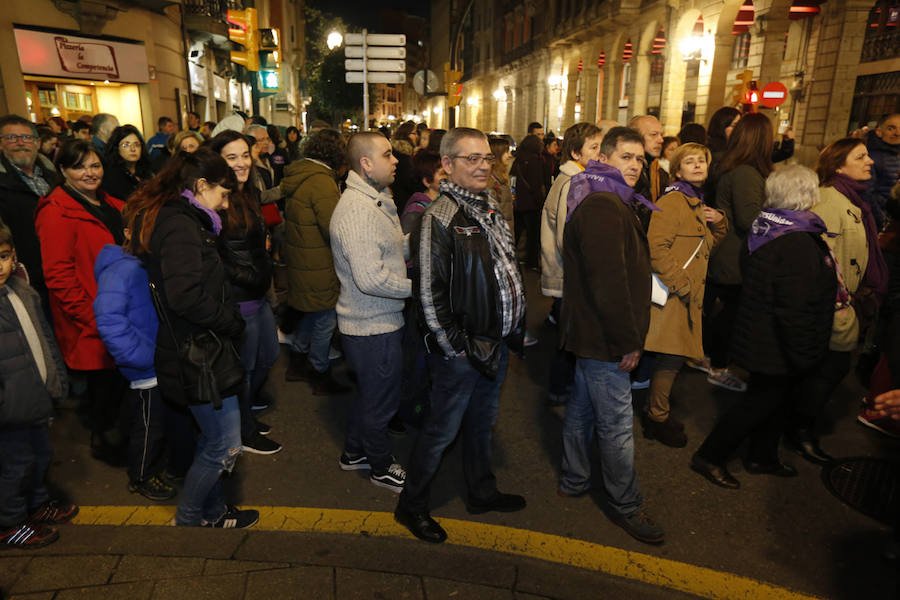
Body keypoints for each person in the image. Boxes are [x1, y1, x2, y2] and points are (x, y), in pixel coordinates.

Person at [395, 127, 527, 544]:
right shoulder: (440, 217)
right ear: (447, 166)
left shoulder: (488, 205)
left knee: (482, 424)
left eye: (487, 158)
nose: (483, 166)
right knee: (440, 432)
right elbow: (429, 295)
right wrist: (456, 349)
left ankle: (481, 492)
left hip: (494, 343)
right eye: (471, 158)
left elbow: (504, 270)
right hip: (464, 351)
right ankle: (411, 506)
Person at [126, 148, 257, 528]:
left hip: (199, 349)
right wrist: (230, 322)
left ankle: (212, 513)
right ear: (200, 185)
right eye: (223, 191)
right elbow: (184, 296)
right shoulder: (181, 226)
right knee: (224, 443)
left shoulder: (185, 219)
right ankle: (187, 520)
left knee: (212, 438)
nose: (227, 199)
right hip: (198, 353)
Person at [692, 165, 838, 488]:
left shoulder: (767, 227)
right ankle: (710, 455)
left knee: (774, 402)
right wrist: (804, 354)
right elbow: (794, 308)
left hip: (761, 334)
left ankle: (762, 456)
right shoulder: (796, 241)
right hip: (778, 342)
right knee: (758, 404)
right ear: (807, 195)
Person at [556, 126, 664, 544]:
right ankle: (626, 504)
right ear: (603, 156)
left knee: (582, 410)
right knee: (617, 425)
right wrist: (628, 341)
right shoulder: (603, 203)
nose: (636, 165)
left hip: (591, 333)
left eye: (641, 159)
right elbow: (608, 283)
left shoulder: (601, 194)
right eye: (627, 157)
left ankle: (574, 477)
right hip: (605, 337)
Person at [785, 138, 887, 464]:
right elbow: (818, 259)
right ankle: (798, 432)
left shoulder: (852, 197)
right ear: (839, 165)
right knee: (825, 370)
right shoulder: (830, 201)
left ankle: (798, 428)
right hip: (833, 305)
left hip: (846, 304)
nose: (870, 161)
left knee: (827, 369)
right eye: (861, 156)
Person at [35, 140, 127, 465]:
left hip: (118, 311)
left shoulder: (110, 203)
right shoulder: (56, 211)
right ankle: (108, 448)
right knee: (104, 389)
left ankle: (119, 440)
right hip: (92, 316)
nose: (90, 173)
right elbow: (58, 276)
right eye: (79, 166)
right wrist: (92, 317)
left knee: (119, 385)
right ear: (62, 170)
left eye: (95, 165)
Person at [330, 132, 411, 493]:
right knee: (381, 402)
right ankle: (380, 465)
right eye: (388, 154)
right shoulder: (358, 212)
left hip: (374, 322)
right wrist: (419, 290)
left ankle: (354, 452)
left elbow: (388, 249)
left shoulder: (375, 200)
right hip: (371, 325)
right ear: (366, 163)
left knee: (371, 395)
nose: (395, 161)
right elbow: (370, 278)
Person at [641, 143, 727, 448]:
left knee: (667, 356)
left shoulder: (696, 202)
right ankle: (657, 417)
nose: (697, 166)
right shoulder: (675, 201)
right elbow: (655, 249)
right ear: (676, 171)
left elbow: (703, 250)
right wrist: (683, 285)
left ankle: (653, 412)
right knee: (670, 356)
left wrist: (720, 224)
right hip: (673, 295)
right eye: (689, 162)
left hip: (683, 295)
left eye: (701, 161)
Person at [0, 220, 77, 549]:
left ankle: (37, 503)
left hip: (34, 398)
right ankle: (10, 523)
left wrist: (56, 380)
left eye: (2, 256)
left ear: (13, 255)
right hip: (8, 409)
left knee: (40, 455)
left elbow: (44, 341)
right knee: (14, 466)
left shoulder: (22, 292)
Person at [208, 130, 283, 455]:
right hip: (239, 297)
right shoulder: (216, 198)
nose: (241, 163)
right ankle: (243, 431)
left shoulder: (247, 191)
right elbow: (215, 256)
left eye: (244, 155)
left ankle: (246, 409)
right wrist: (248, 276)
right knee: (245, 368)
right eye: (231, 157)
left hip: (257, 292)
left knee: (269, 356)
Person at [93, 226, 176, 501]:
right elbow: (109, 322)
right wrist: (142, 357)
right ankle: (141, 476)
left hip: (156, 358)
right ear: (127, 232)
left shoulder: (144, 263)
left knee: (154, 421)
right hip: (145, 366)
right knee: (149, 425)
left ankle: (154, 468)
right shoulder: (119, 270)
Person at [704, 112, 775, 393]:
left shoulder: (739, 167)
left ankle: (708, 356)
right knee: (730, 314)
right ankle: (717, 366)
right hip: (733, 257)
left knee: (718, 310)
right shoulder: (745, 172)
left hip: (729, 254)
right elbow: (749, 219)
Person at [281, 129, 351, 395]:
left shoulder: (302, 173)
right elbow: (333, 227)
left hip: (303, 260)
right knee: (326, 319)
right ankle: (318, 370)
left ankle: (298, 360)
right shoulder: (321, 181)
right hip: (318, 262)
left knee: (313, 313)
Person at [540, 122, 603, 404]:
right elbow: (569, 239)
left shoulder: (575, 178)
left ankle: (560, 387)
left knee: (567, 337)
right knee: (569, 340)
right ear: (576, 153)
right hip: (569, 276)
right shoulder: (575, 182)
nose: (601, 154)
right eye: (595, 148)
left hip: (566, 274)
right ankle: (560, 389)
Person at [0, 115, 60, 311]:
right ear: (1, 144)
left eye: (26, 138)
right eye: (11, 137)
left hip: (60, 271)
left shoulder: (53, 176)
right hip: (23, 280)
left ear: (37, 143)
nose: (20, 143)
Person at [510, 133, 545, 270]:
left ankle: (510, 259)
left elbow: (512, 178)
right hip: (531, 204)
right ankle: (532, 263)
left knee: (516, 234)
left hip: (519, 203)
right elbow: (536, 184)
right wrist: (540, 201)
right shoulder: (534, 160)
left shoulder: (518, 159)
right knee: (533, 235)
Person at [629, 115, 669, 227]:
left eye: (661, 135)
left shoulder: (660, 173)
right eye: (653, 135)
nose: (661, 140)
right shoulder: (624, 171)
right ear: (635, 137)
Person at [863, 113, 900, 229]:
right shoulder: (872, 158)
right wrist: (882, 221)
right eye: (891, 128)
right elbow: (867, 194)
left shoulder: (896, 154)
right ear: (878, 131)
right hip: (883, 223)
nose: (898, 133)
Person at [102, 125, 153, 202]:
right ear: (116, 148)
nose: (133, 149)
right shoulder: (112, 175)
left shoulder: (146, 172)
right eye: (126, 145)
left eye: (136, 145)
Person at [704, 106, 741, 208]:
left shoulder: (733, 150)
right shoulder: (716, 153)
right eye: (734, 125)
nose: (738, 130)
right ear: (722, 126)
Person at [390, 121, 418, 210]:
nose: (417, 136)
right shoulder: (404, 153)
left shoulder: (397, 150)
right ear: (406, 134)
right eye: (414, 133)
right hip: (403, 197)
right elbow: (407, 179)